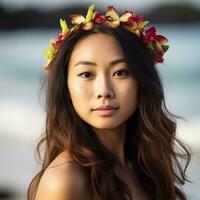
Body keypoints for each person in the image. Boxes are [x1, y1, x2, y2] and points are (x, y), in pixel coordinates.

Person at [27, 4, 191, 200]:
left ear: (141, 81)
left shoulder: (145, 165)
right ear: (66, 88)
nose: (104, 91)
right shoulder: (65, 179)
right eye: (87, 74)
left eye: (120, 72)